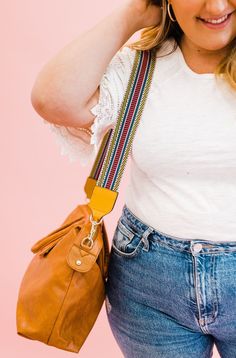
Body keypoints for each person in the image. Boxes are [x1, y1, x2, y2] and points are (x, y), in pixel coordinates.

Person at [31, 1, 236, 357]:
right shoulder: (140, 68)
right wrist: (135, 14)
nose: (216, 6)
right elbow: (52, 98)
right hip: (150, 286)